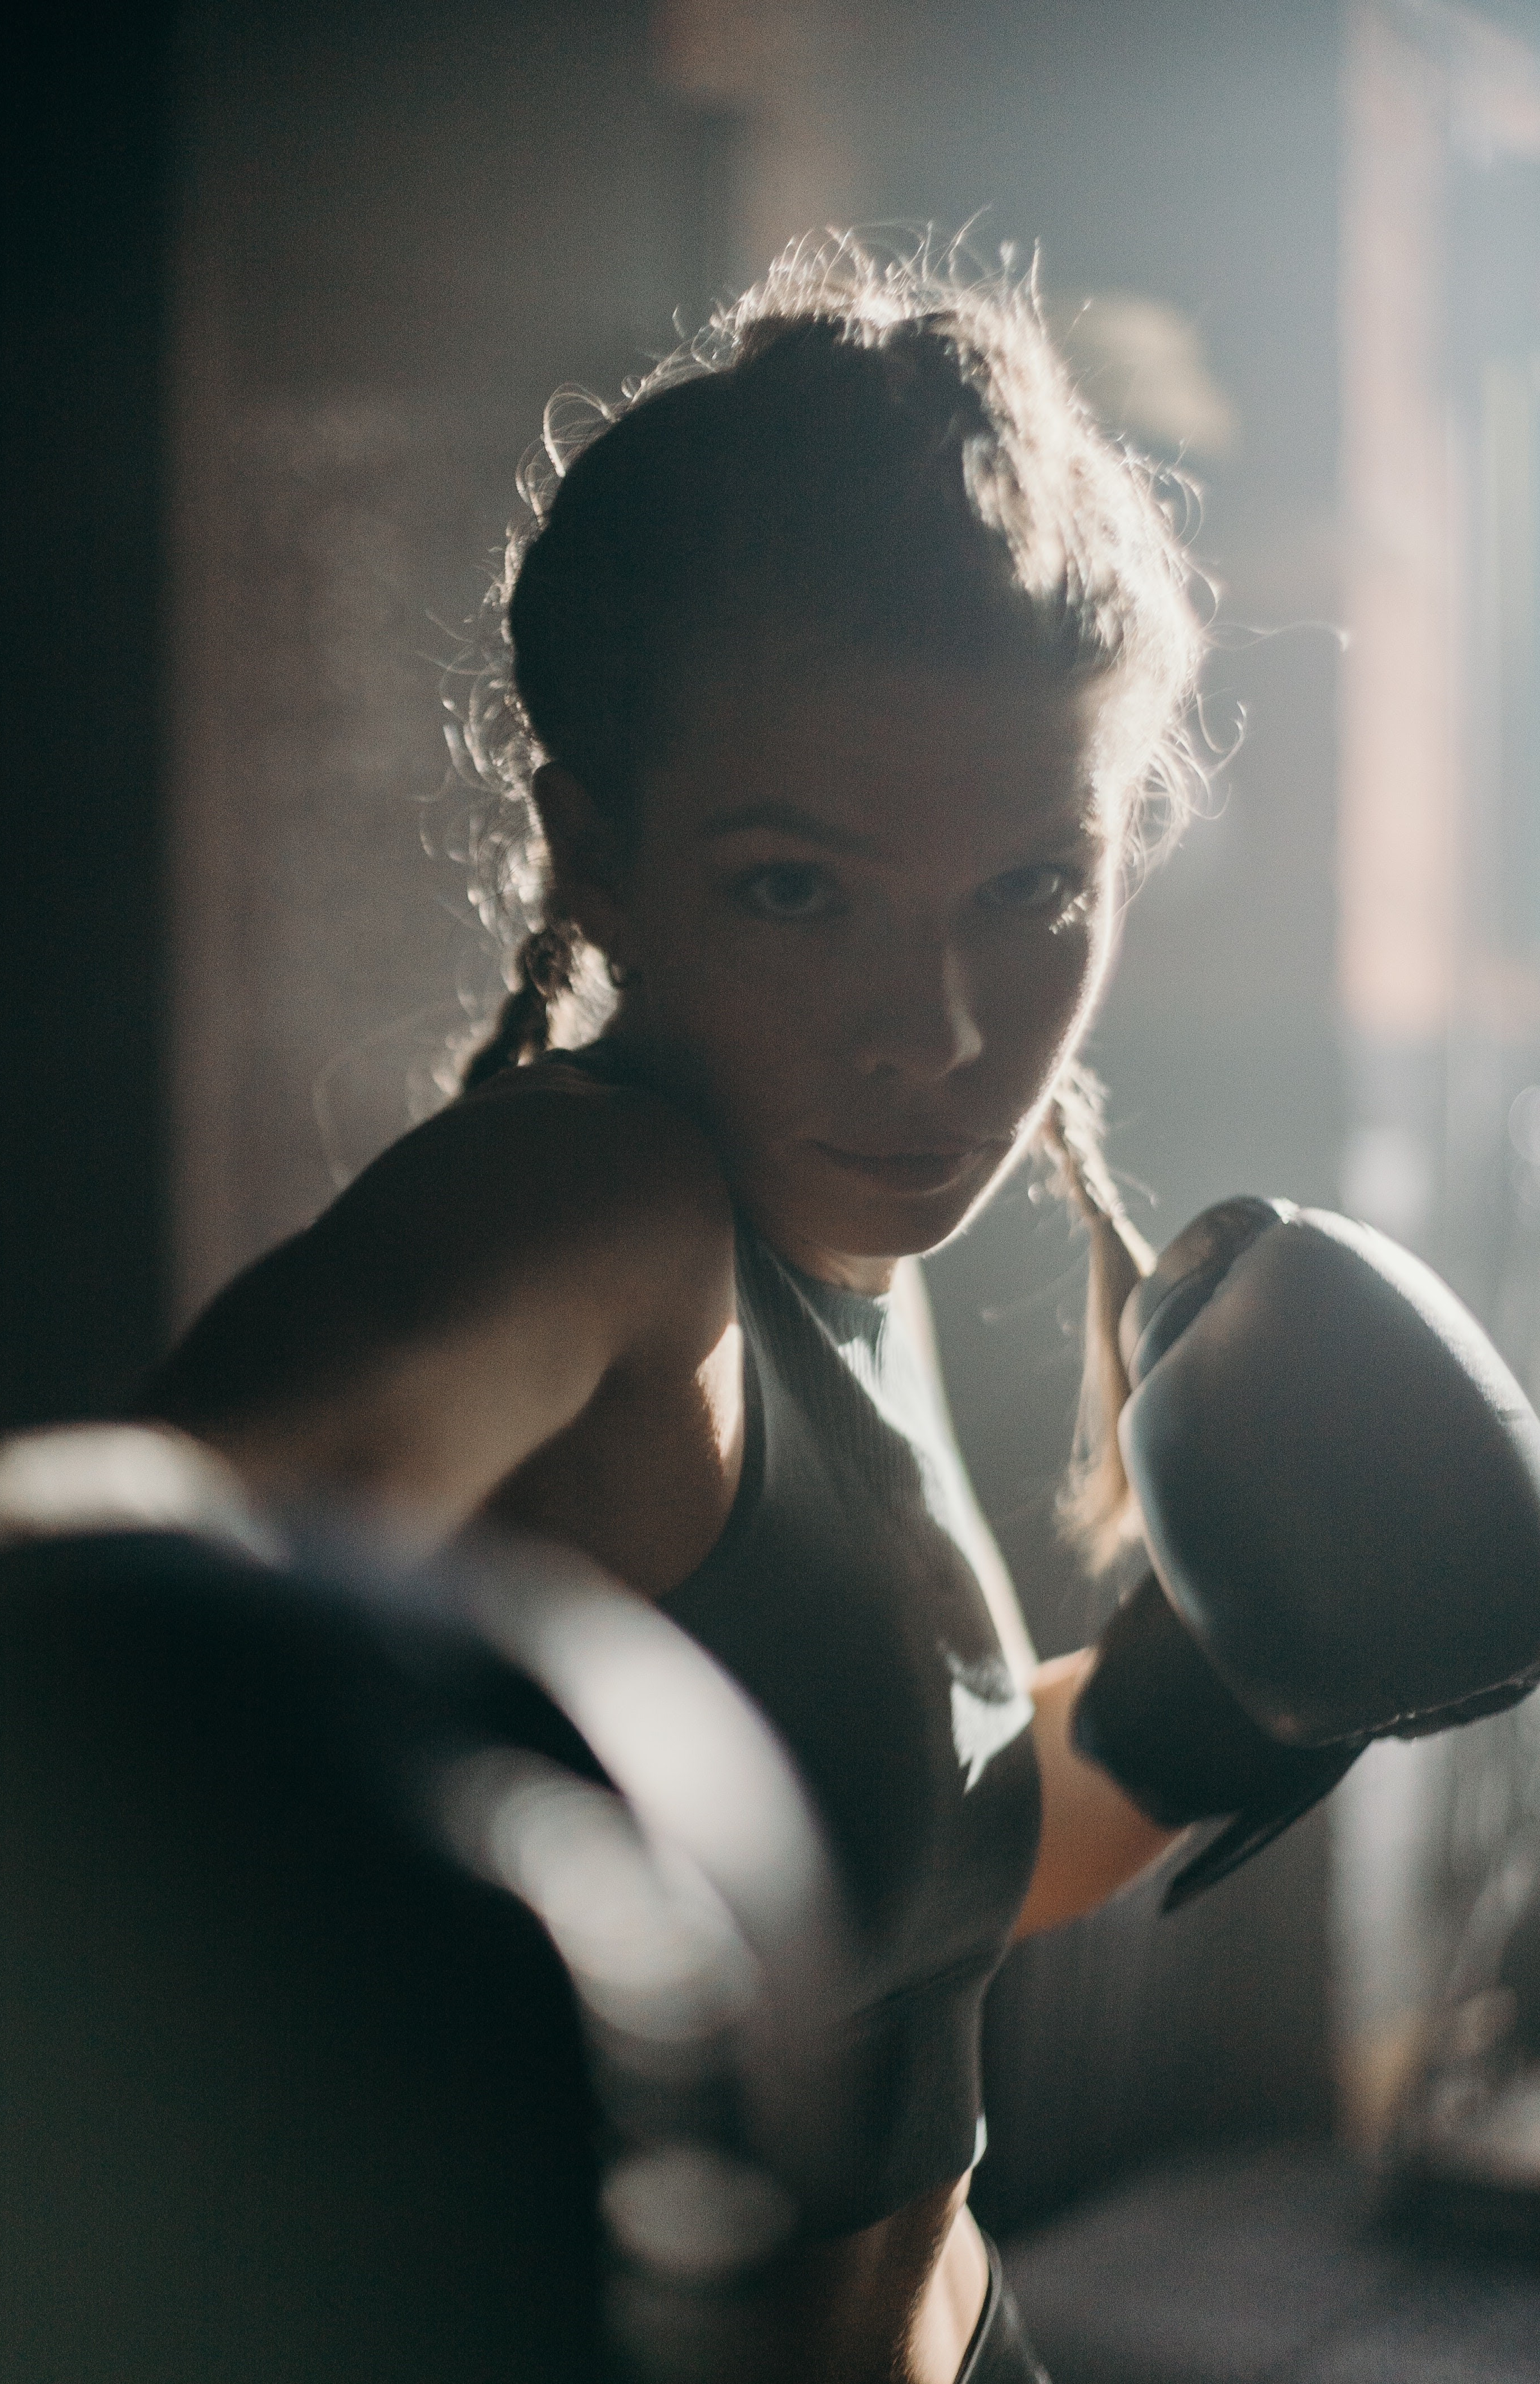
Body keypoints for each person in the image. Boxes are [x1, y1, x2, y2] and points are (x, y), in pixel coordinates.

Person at [146, 236, 1208, 2384]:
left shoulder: (822, 1234)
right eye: (795, 889)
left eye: (1035, 888)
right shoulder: (597, 1210)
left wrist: (1230, 1705)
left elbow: (903, 1903)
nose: (936, 1036)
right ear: (597, 862)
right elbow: (97, 1609)